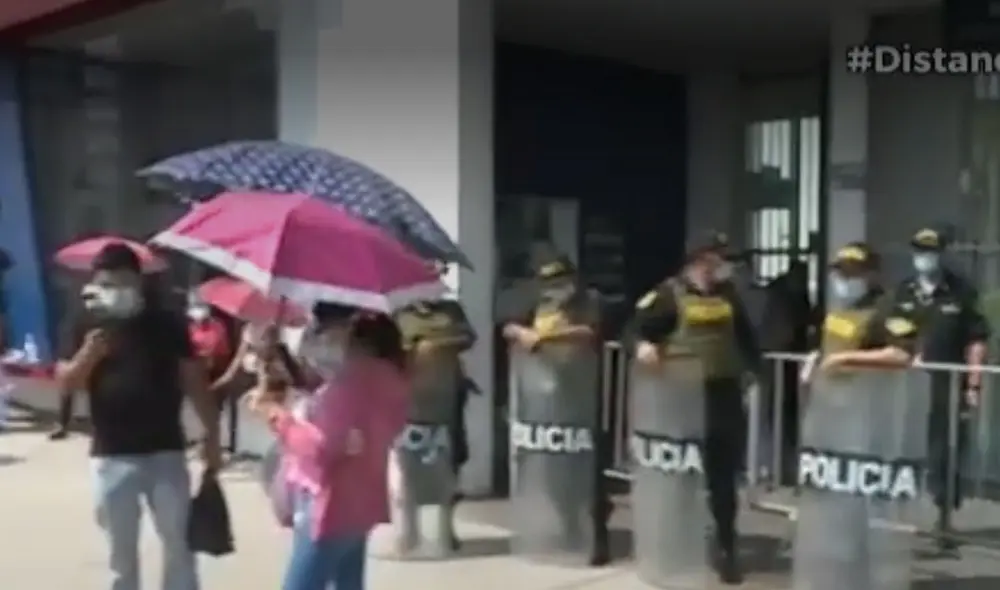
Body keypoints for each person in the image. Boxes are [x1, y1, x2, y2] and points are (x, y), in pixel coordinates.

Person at [54, 242, 221, 590]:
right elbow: (67, 382)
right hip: (112, 455)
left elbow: (195, 382)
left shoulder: (166, 323)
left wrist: (212, 437)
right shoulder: (86, 322)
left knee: (179, 546)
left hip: (166, 452)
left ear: (139, 282)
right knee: (121, 556)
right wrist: (89, 353)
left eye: (122, 283)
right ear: (96, 283)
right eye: (107, 283)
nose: (115, 291)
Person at [631, 230, 761, 584]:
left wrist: (755, 373)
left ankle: (726, 547)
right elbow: (635, 330)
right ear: (699, 261)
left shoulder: (729, 295)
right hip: (681, 399)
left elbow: (748, 339)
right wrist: (643, 346)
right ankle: (675, 545)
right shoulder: (667, 295)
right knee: (680, 476)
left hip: (724, 396)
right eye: (717, 259)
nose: (723, 266)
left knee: (723, 478)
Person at [249, 304, 409, 590]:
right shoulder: (389, 377)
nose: (317, 339)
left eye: (323, 330)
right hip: (361, 505)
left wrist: (276, 416)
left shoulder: (349, 384)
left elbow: (321, 449)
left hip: (329, 508)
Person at [883, 226, 989, 550]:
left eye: (929, 252)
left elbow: (977, 339)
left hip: (946, 386)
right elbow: (887, 333)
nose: (923, 258)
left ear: (941, 254)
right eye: (918, 251)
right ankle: (895, 517)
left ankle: (943, 520)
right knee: (902, 449)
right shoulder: (903, 292)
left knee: (946, 453)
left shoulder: (960, 292)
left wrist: (973, 383)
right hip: (906, 388)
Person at [502, 253, 610, 566]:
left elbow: (589, 331)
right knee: (555, 475)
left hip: (583, 397)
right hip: (547, 400)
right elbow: (509, 326)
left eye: (561, 281)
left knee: (589, 472)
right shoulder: (537, 303)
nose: (555, 288)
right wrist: (521, 333)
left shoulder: (589, 300)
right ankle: (569, 526)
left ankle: (596, 537)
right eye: (549, 282)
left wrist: (545, 336)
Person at [394, 280, 477, 551]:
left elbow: (468, 337)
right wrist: (414, 348)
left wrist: (434, 344)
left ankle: (446, 530)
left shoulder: (451, 310)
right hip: (412, 402)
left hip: (448, 398)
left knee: (450, 465)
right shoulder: (401, 315)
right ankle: (409, 533)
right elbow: (391, 353)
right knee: (409, 468)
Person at [186, 294, 232, 381]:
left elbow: (225, 350)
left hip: (218, 368)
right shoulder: (190, 328)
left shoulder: (218, 325)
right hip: (198, 370)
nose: (200, 322)